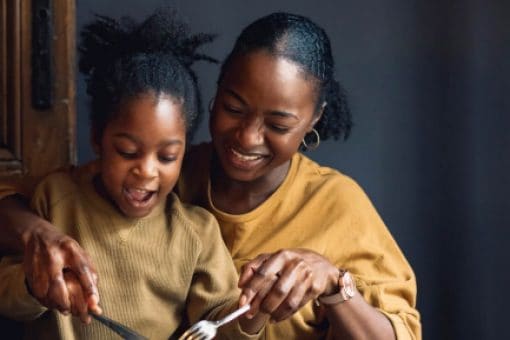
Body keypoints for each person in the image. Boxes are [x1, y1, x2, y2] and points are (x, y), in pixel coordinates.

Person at [0, 11, 421, 340]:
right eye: (234, 108)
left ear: (314, 119)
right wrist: (38, 235)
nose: (247, 137)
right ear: (216, 91)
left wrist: (332, 283)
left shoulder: (337, 205)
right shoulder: (160, 179)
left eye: (278, 124)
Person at [0, 9, 265, 340]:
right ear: (98, 138)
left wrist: (252, 312)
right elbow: (7, 295)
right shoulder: (56, 199)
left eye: (167, 156)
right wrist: (34, 285)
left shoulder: (196, 232)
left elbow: (221, 323)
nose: (146, 170)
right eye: (128, 152)